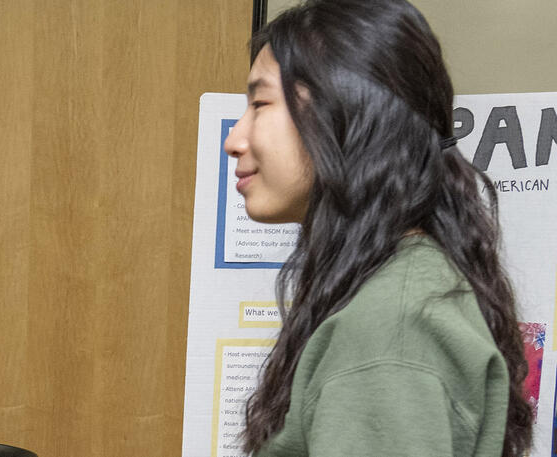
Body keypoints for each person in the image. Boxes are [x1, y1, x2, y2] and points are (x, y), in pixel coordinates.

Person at [228, 1, 532, 455]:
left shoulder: (391, 328)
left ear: (348, 114)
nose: (235, 139)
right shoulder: (402, 292)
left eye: (260, 103)